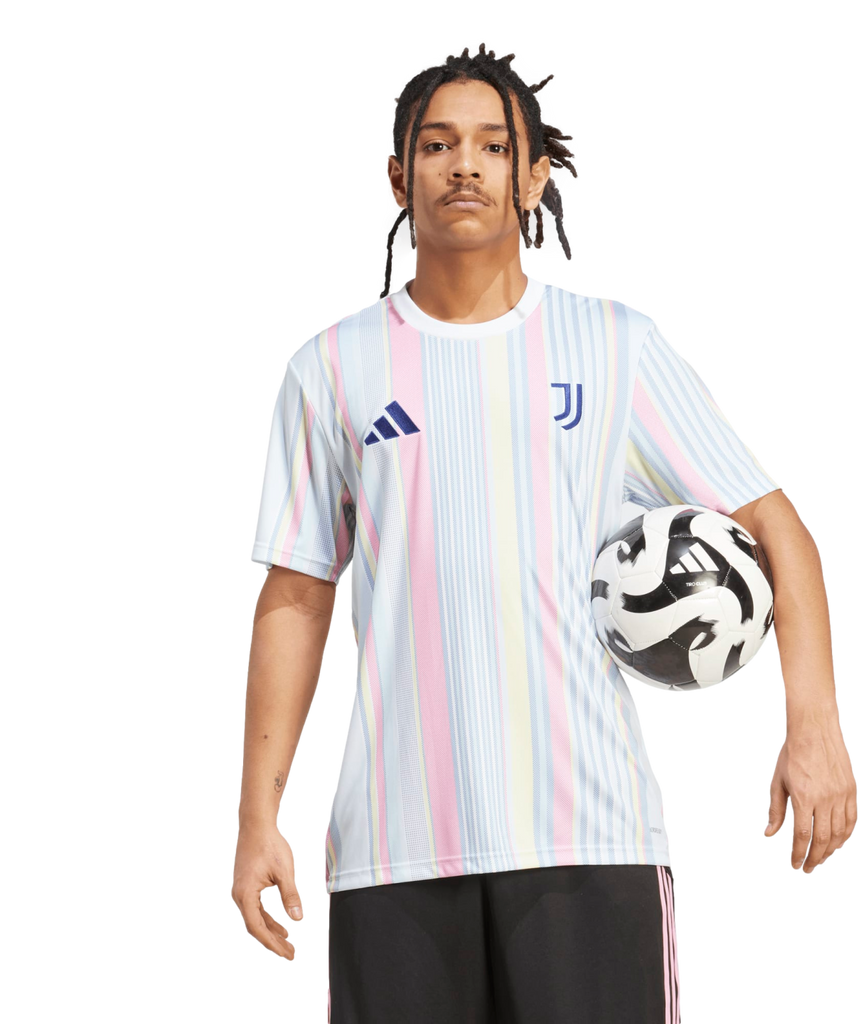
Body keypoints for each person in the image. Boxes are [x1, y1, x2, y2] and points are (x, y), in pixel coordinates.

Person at [232, 40, 796, 1024]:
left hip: (592, 838)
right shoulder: (328, 367)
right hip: (392, 850)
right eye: (438, 144)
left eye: (494, 146)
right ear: (396, 177)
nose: (466, 165)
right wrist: (254, 818)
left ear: (533, 179)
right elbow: (298, 595)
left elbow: (775, 524)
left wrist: (815, 727)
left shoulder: (616, 344)